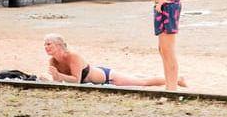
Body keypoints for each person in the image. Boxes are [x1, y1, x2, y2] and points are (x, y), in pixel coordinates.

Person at [42, 34, 180, 87]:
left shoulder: (73, 57)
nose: (46, 47)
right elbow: (60, 83)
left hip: (108, 77)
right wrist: (55, 78)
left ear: (59, 45)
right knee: (136, 78)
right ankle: (172, 79)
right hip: (97, 76)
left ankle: (177, 80)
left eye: (49, 44)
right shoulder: (53, 61)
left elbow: (76, 80)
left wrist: (59, 75)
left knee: (143, 83)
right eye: (45, 44)